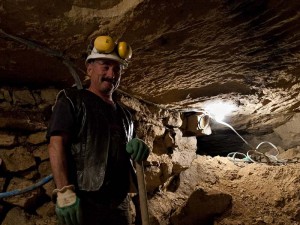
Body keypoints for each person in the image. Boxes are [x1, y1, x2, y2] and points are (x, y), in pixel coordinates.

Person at [47, 35, 150, 225]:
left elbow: (130, 149)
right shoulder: (72, 100)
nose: (112, 74)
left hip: (119, 202)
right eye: (106, 66)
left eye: (117, 69)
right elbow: (56, 144)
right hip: (86, 200)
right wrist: (64, 192)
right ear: (89, 69)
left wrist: (138, 146)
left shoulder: (126, 115)